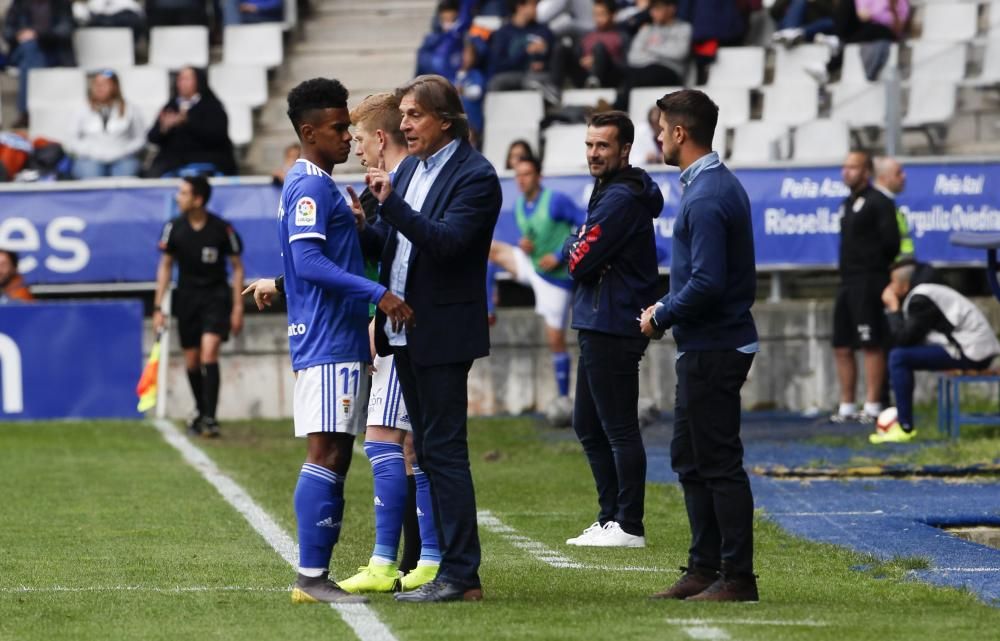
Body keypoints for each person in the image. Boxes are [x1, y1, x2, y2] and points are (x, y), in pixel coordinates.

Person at [361, 74, 502, 603]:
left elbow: (446, 244)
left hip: (442, 332)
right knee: (427, 451)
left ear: (446, 121)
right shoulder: (416, 170)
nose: (404, 124)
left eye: (415, 114)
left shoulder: (476, 176)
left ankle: (461, 575)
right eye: (403, 115)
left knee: (443, 452)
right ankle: (449, 569)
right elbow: (396, 247)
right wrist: (363, 223)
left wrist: (391, 205)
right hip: (405, 333)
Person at [273, 78, 413, 605]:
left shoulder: (315, 185)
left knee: (337, 452)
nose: (346, 137)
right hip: (329, 337)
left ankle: (317, 575)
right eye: (336, 129)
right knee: (327, 451)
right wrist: (379, 293)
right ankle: (311, 577)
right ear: (309, 132)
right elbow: (309, 263)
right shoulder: (310, 185)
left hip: (334, 336)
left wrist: (354, 229)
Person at [641, 88, 759, 602]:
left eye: (661, 129)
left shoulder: (709, 194)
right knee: (689, 457)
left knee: (716, 460)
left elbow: (708, 282)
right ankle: (704, 568)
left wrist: (662, 313)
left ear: (681, 133)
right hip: (704, 345)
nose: (658, 137)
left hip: (716, 345)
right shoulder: (704, 187)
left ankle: (737, 578)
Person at [336, 92, 442, 594]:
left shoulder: (404, 186)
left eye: (358, 138)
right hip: (401, 325)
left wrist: (384, 310)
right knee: (411, 447)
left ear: (380, 138)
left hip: (405, 330)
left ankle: (389, 563)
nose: (355, 148)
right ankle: (422, 559)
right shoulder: (396, 185)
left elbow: (412, 257)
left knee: (385, 439)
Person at [561, 110, 662, 549]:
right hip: (597, 318)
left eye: (603, 145)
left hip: (613, 321)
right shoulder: (610, 190)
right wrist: (577, 241)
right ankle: (609, 518)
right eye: (589, 145)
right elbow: (580, 247)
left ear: (624, 149)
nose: (594, 153)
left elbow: (577, 259)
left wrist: (575, 242)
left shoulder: (621, 198)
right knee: (587, 422)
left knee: (619, 427)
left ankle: (630, 524)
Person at [488, 156, 584, 424]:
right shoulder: (519, 204)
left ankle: (564, 399)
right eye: (518, 174)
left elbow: (585, 224)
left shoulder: (555, 200)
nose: (522, 179)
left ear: (538, 176)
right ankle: (488, 307)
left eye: (527, 174)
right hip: (533, 268)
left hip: (556, 277)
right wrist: (526, 245)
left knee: (555, 339)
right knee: (490, 249)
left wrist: (559, 254)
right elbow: (532, 237)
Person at [153, 177, 244, 437]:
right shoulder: (173, 228)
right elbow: (165, 266)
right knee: (192, 361)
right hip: (187, 299)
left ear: (198, 199)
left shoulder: (221, 229)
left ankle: (211, 418)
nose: (177, 197)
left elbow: (237, 268)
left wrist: (238, 307)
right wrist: (158, 307)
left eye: (183, 193)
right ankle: (201, 410)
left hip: (215, 298)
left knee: (209, 353)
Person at [876, 259, 1000, 444]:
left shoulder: (921, 298)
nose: (889, 288)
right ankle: (903, 421)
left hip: (973, 352)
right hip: (967, 347)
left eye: (892, 283)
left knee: (898, 358)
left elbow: (904, 339)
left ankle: (904, 427)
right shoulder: (928, 292)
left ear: (903, 285)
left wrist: (893, 309)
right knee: (901, 355)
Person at [830, 150, 900, 424]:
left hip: (870, 281)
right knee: (842, 345)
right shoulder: (847, 203)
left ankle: (872, 404)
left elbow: (891, 243)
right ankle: (847, 405)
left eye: (853, 167)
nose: (847, 172)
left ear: (867, 171)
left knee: (871, 342)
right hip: (847, 281)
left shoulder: (879, 202)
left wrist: (876, 268)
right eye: (844, 167)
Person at [147, 66, 237, 177]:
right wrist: (164, 128)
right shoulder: (171, 107)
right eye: (180, 79)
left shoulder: (212, 106)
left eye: (187, 79)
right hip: (172, 162)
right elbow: (152, 138)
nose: (182, 83)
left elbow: (217, 136)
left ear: (198, 81)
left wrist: (188, 121)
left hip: (206, 159)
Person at [3, 0, 76, 128]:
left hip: (54, 53)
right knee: (31, 50)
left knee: (32, 55)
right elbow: (7, 31)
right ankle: (32, 112)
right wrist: (19, 35)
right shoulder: (19, 4)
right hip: (22, 52)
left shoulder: (61, 3)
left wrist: (38, 35)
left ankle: (26, 112)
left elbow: (66, 30)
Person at [68, 70, 146, 179]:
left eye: (104, 84)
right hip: (90, 158)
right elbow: (72, 140)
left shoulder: (131, 108)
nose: (99, 87)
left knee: (127, 173)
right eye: (96, 84)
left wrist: (125, 150)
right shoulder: (81, 109)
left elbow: (140, 139)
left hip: (122, 158)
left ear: (114, 86)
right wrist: (89, 152)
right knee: (90, 173)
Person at [487, 0, 559, 102]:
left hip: (538, 75)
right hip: (513, 74)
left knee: (533, 82)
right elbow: (499, 64)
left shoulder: (543, 30)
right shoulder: (503, 33)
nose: (536, 9)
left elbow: (555, 59)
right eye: (533, 5)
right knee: (495, 82)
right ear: (520, 6)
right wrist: (526, 52)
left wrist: (544, 62)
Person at [623, 0, 691, 90]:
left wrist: (649, 48)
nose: (653, 13)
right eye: (652, 9)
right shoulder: (647, 29)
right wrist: (655, 58)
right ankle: (618, 103)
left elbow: (680, 53)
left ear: (671, 9)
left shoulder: (684, 28)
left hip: (671, 71)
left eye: (657, 9)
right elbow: (632, 57)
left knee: (643, 75)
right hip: (644, 69)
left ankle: (618, 104)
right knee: (624, 74)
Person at [873, 156, 914, 260]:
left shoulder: (887, 203)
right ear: (883, 177)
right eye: (898, 173)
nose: (904, 176)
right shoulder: (877, 204)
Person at [416, 0, 465, 82]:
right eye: (445, 19)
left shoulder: (466, 40)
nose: (448, 24)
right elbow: (422, 68)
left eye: (452, 19)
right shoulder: (431, 40)